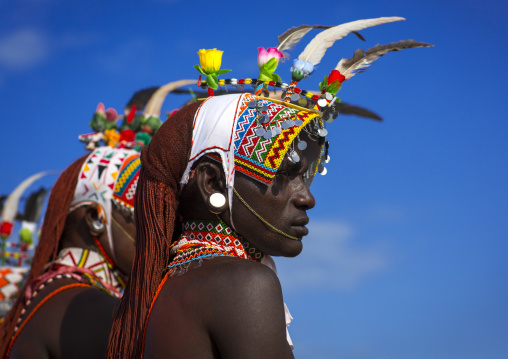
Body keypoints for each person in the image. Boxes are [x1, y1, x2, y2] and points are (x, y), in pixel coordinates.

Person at [0, 147, 141, 358]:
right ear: (96, 218)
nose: (159, 235)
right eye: (144, 218)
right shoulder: (89, 306)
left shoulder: (51, 295)